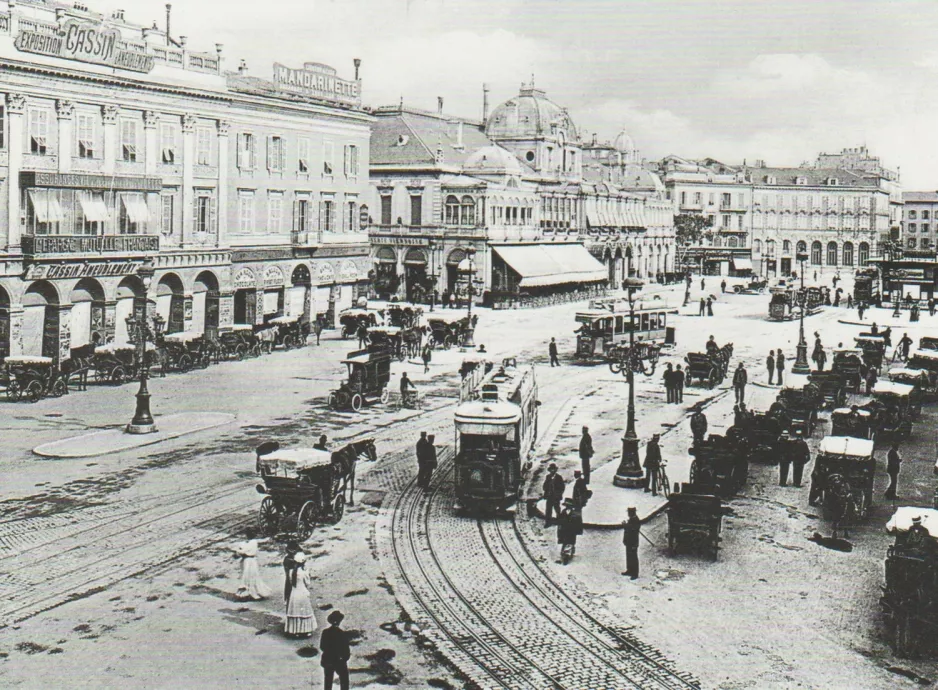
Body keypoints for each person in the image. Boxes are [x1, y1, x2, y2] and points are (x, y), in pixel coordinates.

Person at [284, 552, 317, 638]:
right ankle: (306, 631)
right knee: (305, 611)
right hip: (302, 593)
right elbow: (307, 583)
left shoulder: (291, 572)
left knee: (295, 611)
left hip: (294, 594)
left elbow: (291, 583)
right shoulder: (304, 572)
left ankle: (296, 631)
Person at [320, 610, 351, 690]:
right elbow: (346, 651)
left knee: (328, 681)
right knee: (344, 679)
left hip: (328, 660)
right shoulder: (342, 634)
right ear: (339, 622)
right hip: (339, 661)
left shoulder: (325, 632)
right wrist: (344, 658)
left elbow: (322, 647)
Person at [557, 498, 583, 564]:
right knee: (565, 542)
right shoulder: (563, 512)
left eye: (569, 506)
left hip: (571, 531)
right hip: (564, 530)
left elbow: (579, 523)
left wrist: (579, 530)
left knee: (570, 542)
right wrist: (559, 531)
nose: (568, 507)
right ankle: (564, 554)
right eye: (567, 505)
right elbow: (560, 522)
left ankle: (568, 555)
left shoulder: (575, 514)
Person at [622, 507, 641, 579]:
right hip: (629, 542)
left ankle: (635, 573)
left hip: (633, 543)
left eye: (629, 513)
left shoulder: (636, 520)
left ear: (632, 513)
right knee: (629, 556)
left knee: (633, 558)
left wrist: (625, 525)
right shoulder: (632, 519)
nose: (628, 514)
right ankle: (629, 570)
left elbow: (632, 530)